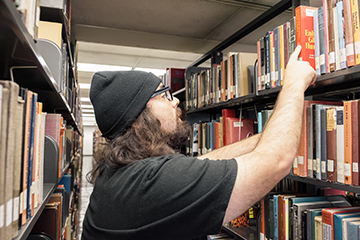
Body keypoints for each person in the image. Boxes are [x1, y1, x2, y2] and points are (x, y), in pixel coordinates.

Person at [81, 45, 317, 240]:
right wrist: (294, 84)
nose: (174, 102)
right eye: (163, 95)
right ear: (137, 120)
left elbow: (203, 163)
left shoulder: (121, 173)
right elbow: (276, 161)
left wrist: (267, 137)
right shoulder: (150, 183)